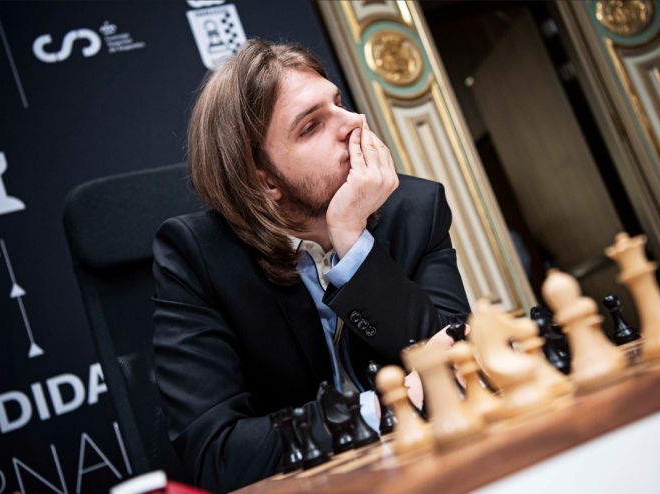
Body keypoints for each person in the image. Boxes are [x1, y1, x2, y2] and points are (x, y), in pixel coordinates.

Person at [152, 38, 470, 492]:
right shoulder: (196, 256)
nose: (354, 124)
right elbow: (218, 454)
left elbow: (457, 362)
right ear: (265, 184)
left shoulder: (416, 209)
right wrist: (382, 408)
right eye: (311, 127)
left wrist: (352, 242)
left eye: (338, 104)